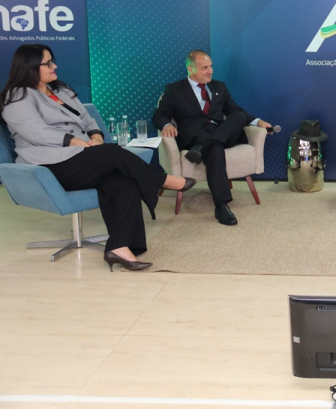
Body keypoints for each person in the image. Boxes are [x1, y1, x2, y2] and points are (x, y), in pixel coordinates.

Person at [0, 44, 196, 272]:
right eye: (48, 63)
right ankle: (162, 180)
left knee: (123, 182)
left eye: (53, 61)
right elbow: (36, 132)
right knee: (112, 153)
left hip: (80, 156)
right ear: (30, 66)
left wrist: (95, 137)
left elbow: (87, 118)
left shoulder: (61, 90)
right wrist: (79, 142)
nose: (55, 66)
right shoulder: (17, 97)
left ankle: (119, 247)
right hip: (49, 165)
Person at [152, 50, 271, 226]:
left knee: (238, 115)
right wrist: (167, 125)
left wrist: (258, 122)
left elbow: (234, 111)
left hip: (221, 132)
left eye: (211, 66)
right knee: (215, 148)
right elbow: (159, 115)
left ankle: (203, 148)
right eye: (205, 68)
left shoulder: (219, 87)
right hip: (195, 135)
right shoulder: (175, 90)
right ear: (190, 69)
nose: (210, 71)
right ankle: (221, 205)